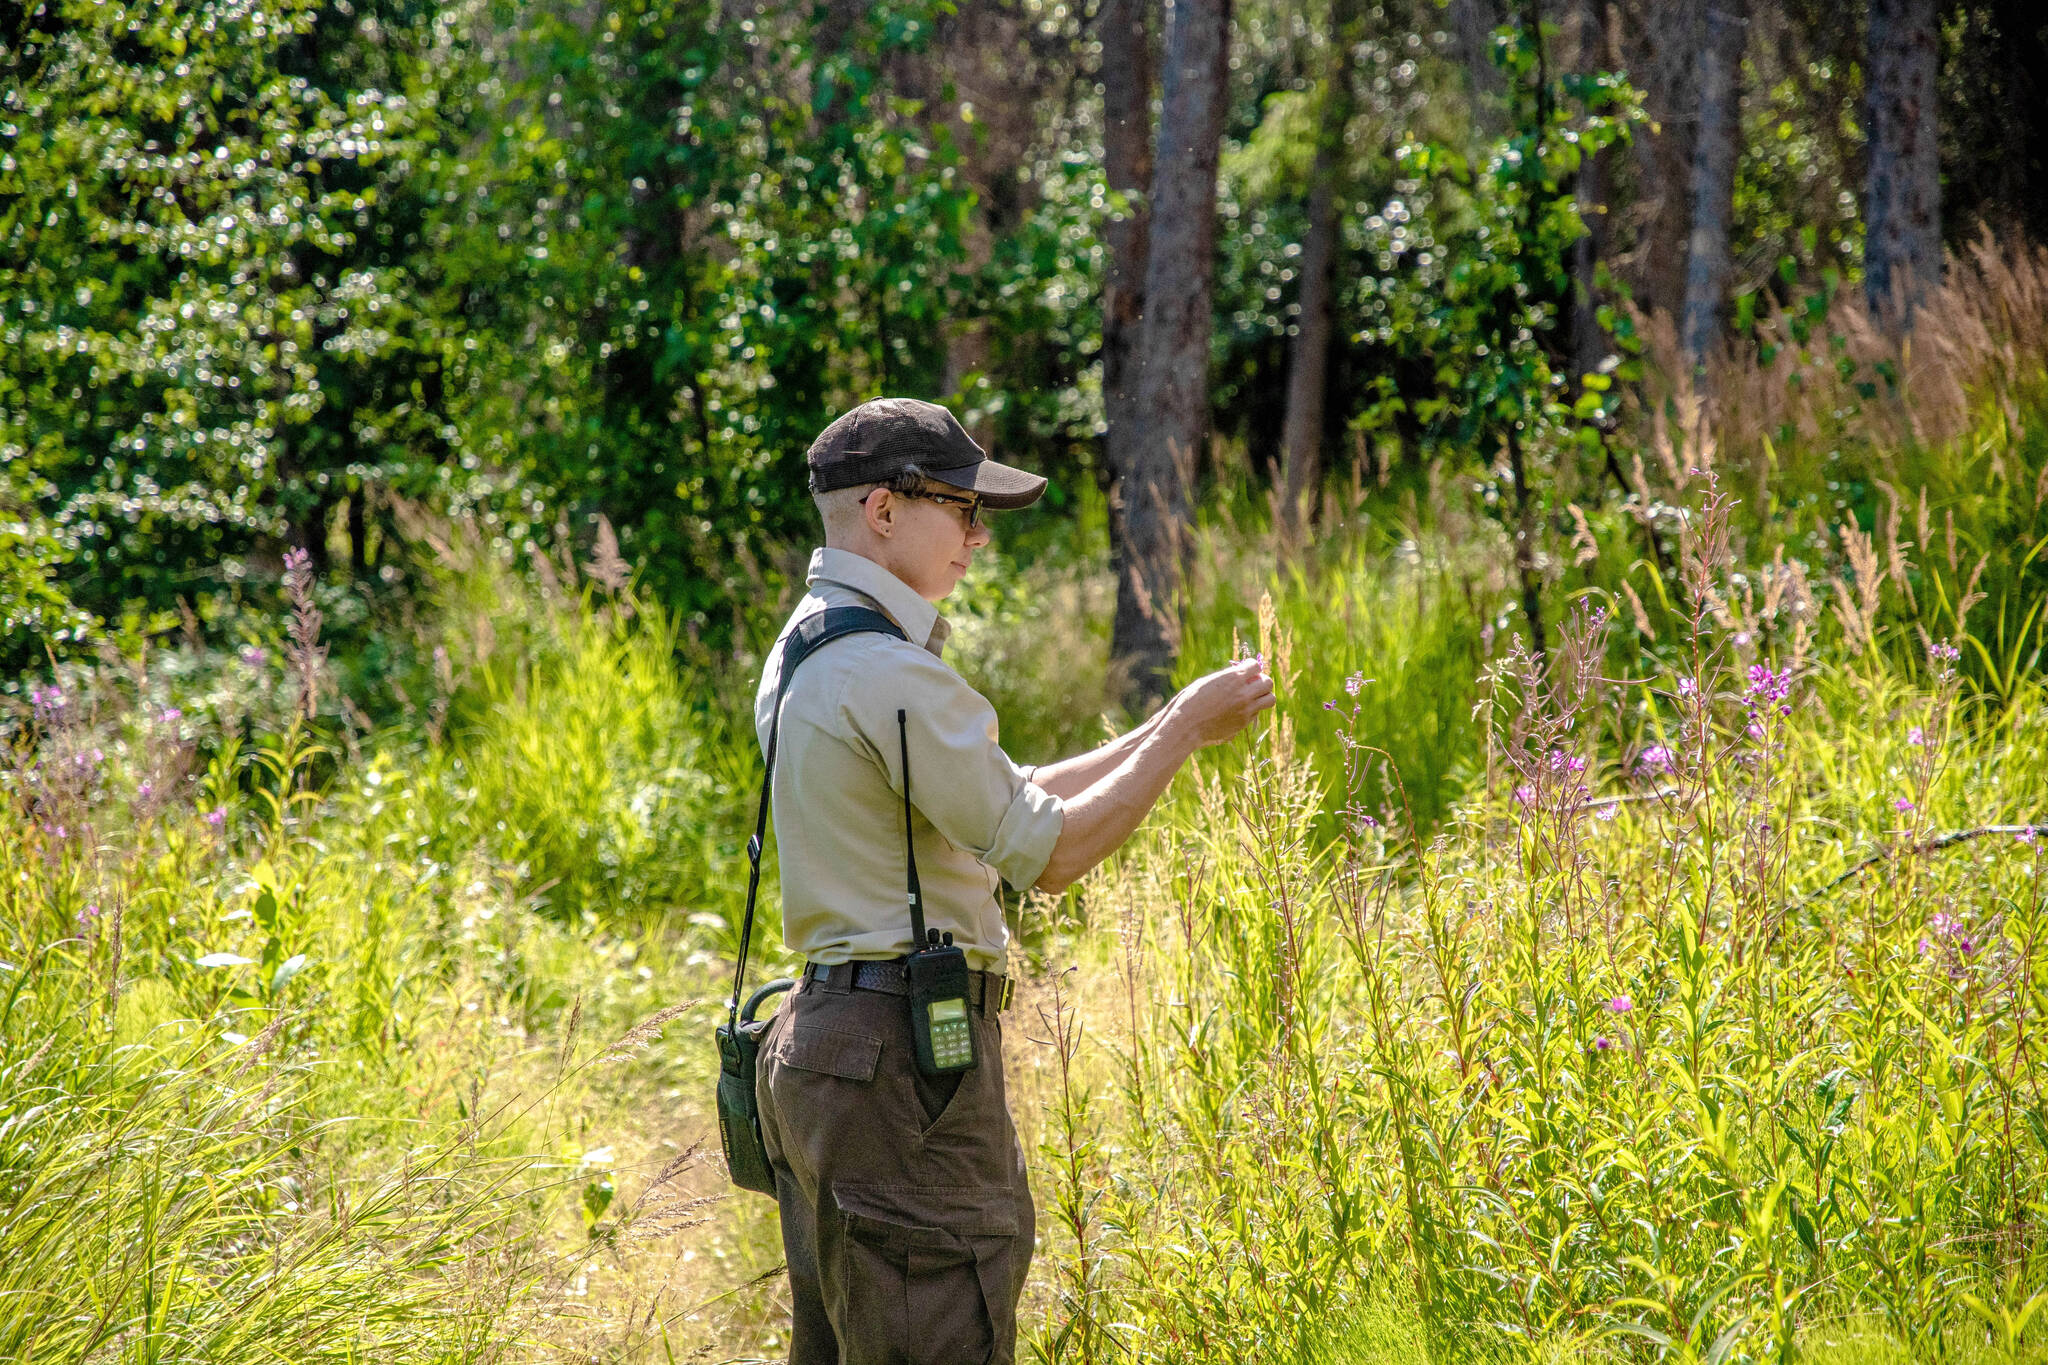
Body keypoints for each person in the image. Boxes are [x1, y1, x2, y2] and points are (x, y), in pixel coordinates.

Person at [752, 396, 1274, 1364]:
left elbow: (1007, 799)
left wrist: (1158, 730)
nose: (977, 538)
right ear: (881, 511)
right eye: (960, 508)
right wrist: (1186, 734)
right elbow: (1050, 853)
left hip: (820, 1050)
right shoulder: (888, 675)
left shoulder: (805, 648)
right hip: (900, 1069)